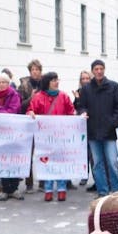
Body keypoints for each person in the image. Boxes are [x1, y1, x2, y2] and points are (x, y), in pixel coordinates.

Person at [76, 60, 118, 197]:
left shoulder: (113, 86)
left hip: (109, 131)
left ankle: (116, 190)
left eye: (101, 68)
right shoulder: (86, 89)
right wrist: (83, 112)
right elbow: (81, 105)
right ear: (92, 71)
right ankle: (102, 191)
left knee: (112, 162)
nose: (99, 71)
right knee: (97, 163)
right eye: (96, 69)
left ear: (104, 70)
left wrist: (113, 122)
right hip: (92, 131)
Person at [27, 72, 77, 202]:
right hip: (45, 137)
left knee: (60, 161)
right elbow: (31, 110)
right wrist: (30, 113)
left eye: (57, 79)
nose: (56, 82)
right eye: (53, 80)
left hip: (61, 135)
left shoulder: (64, 96)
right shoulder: (38, 97)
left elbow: (71, 113)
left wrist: (78, 120)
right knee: (47, 162)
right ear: (47, 82)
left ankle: (61, 188)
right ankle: (48, 189)